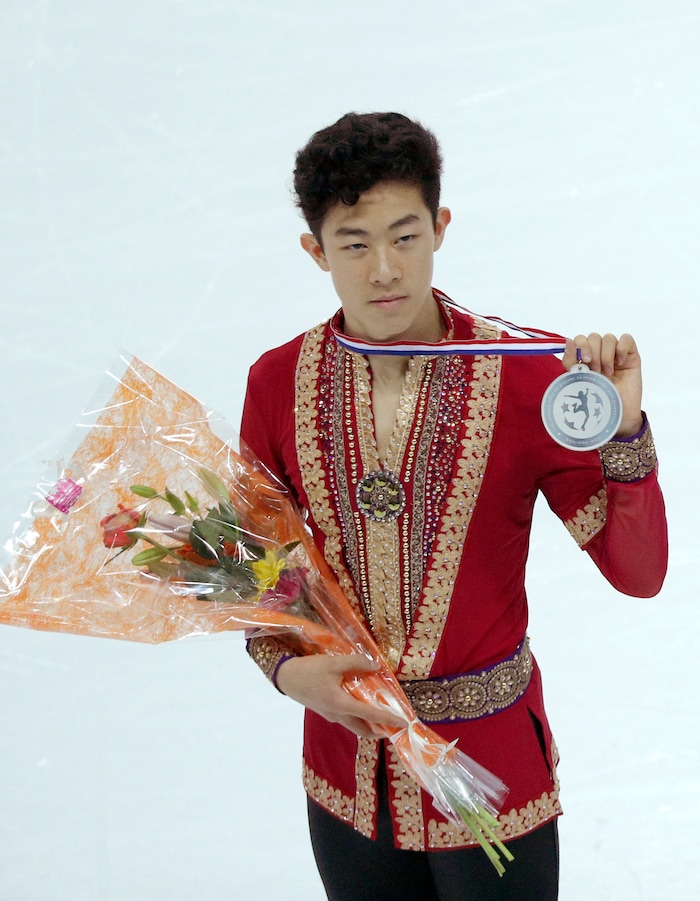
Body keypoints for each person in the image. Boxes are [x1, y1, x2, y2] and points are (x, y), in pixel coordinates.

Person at [240, 112, 668, 901]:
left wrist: (626, 433)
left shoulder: (531, 377)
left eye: (405, 236)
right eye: (353, 243)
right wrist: (290, 673)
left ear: (440, 227)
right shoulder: (275, 384)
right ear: (315, 250)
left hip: (496, 771)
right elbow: (258, 575)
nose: (383, 270)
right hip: (349, 772)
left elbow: (638, 574)